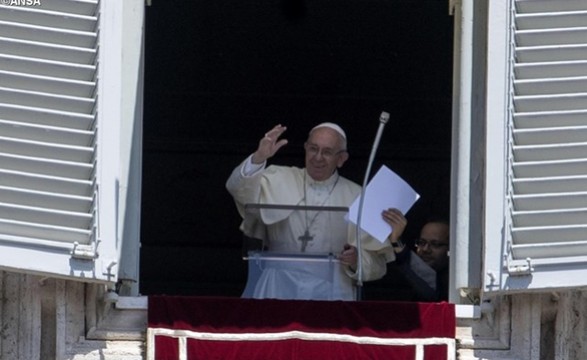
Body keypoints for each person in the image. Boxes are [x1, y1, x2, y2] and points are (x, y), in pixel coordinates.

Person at [226, 123, 394, 301]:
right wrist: (259, 157)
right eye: (313, 149)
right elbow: (237, 188)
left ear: (342, 158)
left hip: (333, 291)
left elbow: (378, 264)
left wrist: (356, 260)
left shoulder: (358, 196)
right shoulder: (278, 177)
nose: (318, 157)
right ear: (305, 148)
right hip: (278, 285)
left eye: (327, 152)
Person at [381, 208, 450, 301]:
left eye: (435, 244)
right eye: (422, 242)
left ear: (451, 249)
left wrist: (396, 242)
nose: (425, 249)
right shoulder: (401, 274)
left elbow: (432, 290)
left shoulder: (453, 284)